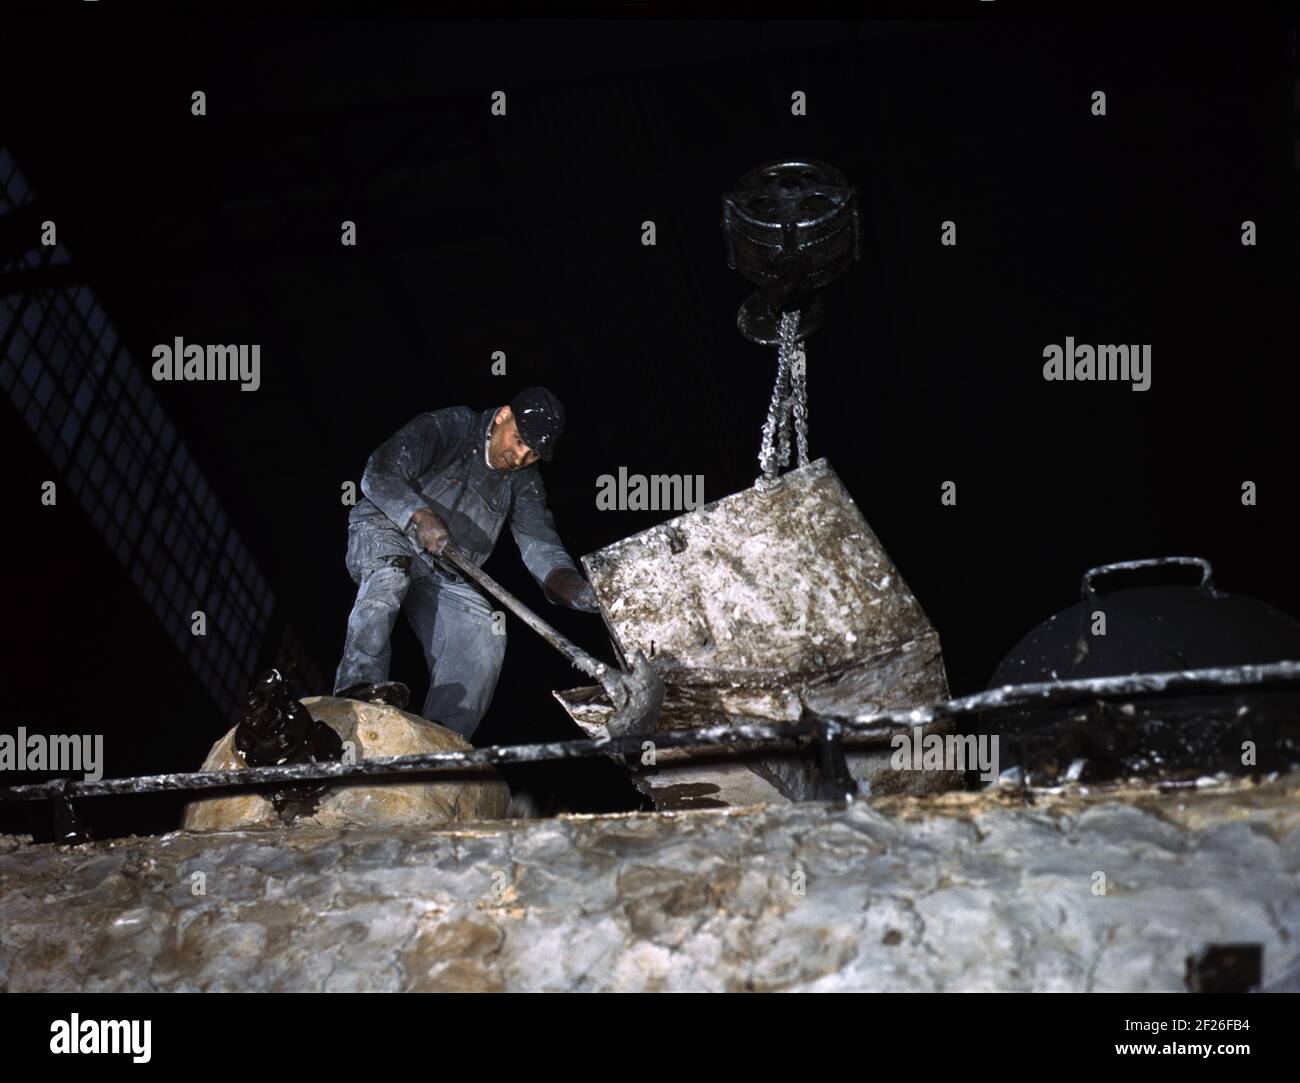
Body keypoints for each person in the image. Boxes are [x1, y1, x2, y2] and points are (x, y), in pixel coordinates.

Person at [332, 387, 598, 738]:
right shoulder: (452, 426)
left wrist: (579, 591)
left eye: (531, 453)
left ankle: (441, 738)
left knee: (485, 629)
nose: (519, 456)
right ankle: (358, 688)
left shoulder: (524, 482)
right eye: (518, 440)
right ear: (503, 415)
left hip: (443, 569)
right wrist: (419, 514)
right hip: (386, 529)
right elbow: (378, 472)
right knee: (389, 576)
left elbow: (541, 546)